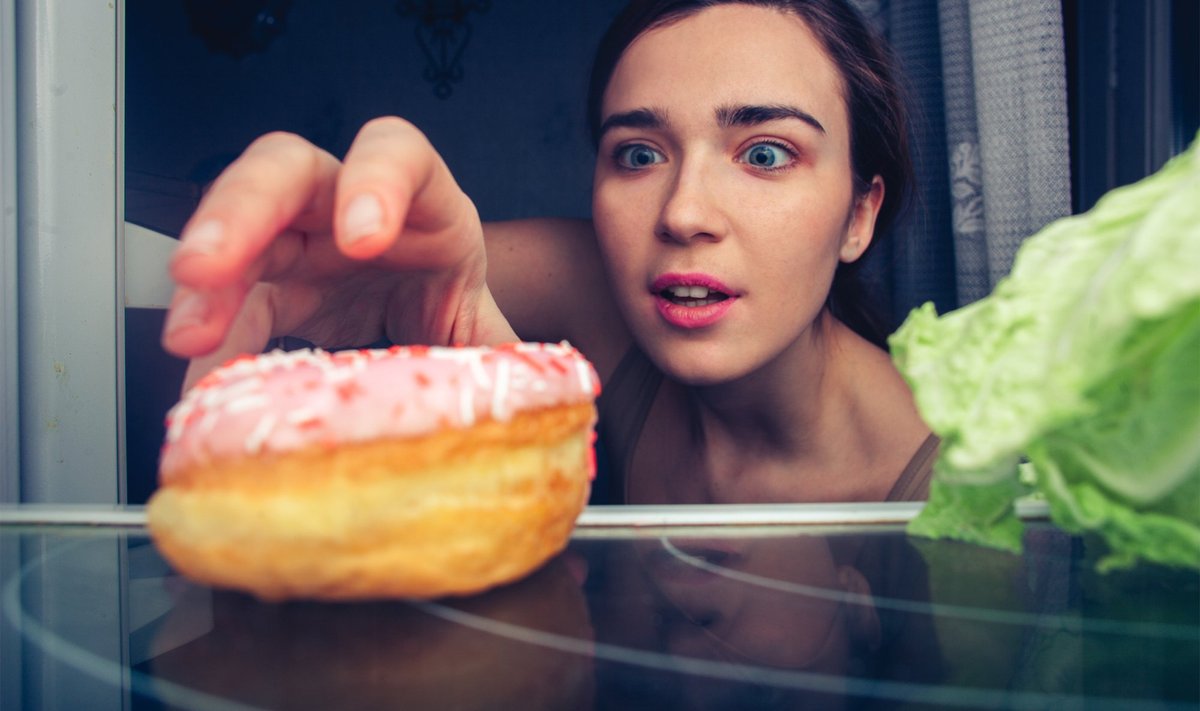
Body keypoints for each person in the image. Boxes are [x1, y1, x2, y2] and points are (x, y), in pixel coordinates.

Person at [160, 0, 936, 505]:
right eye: (637, 154)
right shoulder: (599, 285)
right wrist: (340, 269)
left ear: (859, 214)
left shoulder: (965, 492)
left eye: (766, 154)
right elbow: (368, 274)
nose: (684, 212)